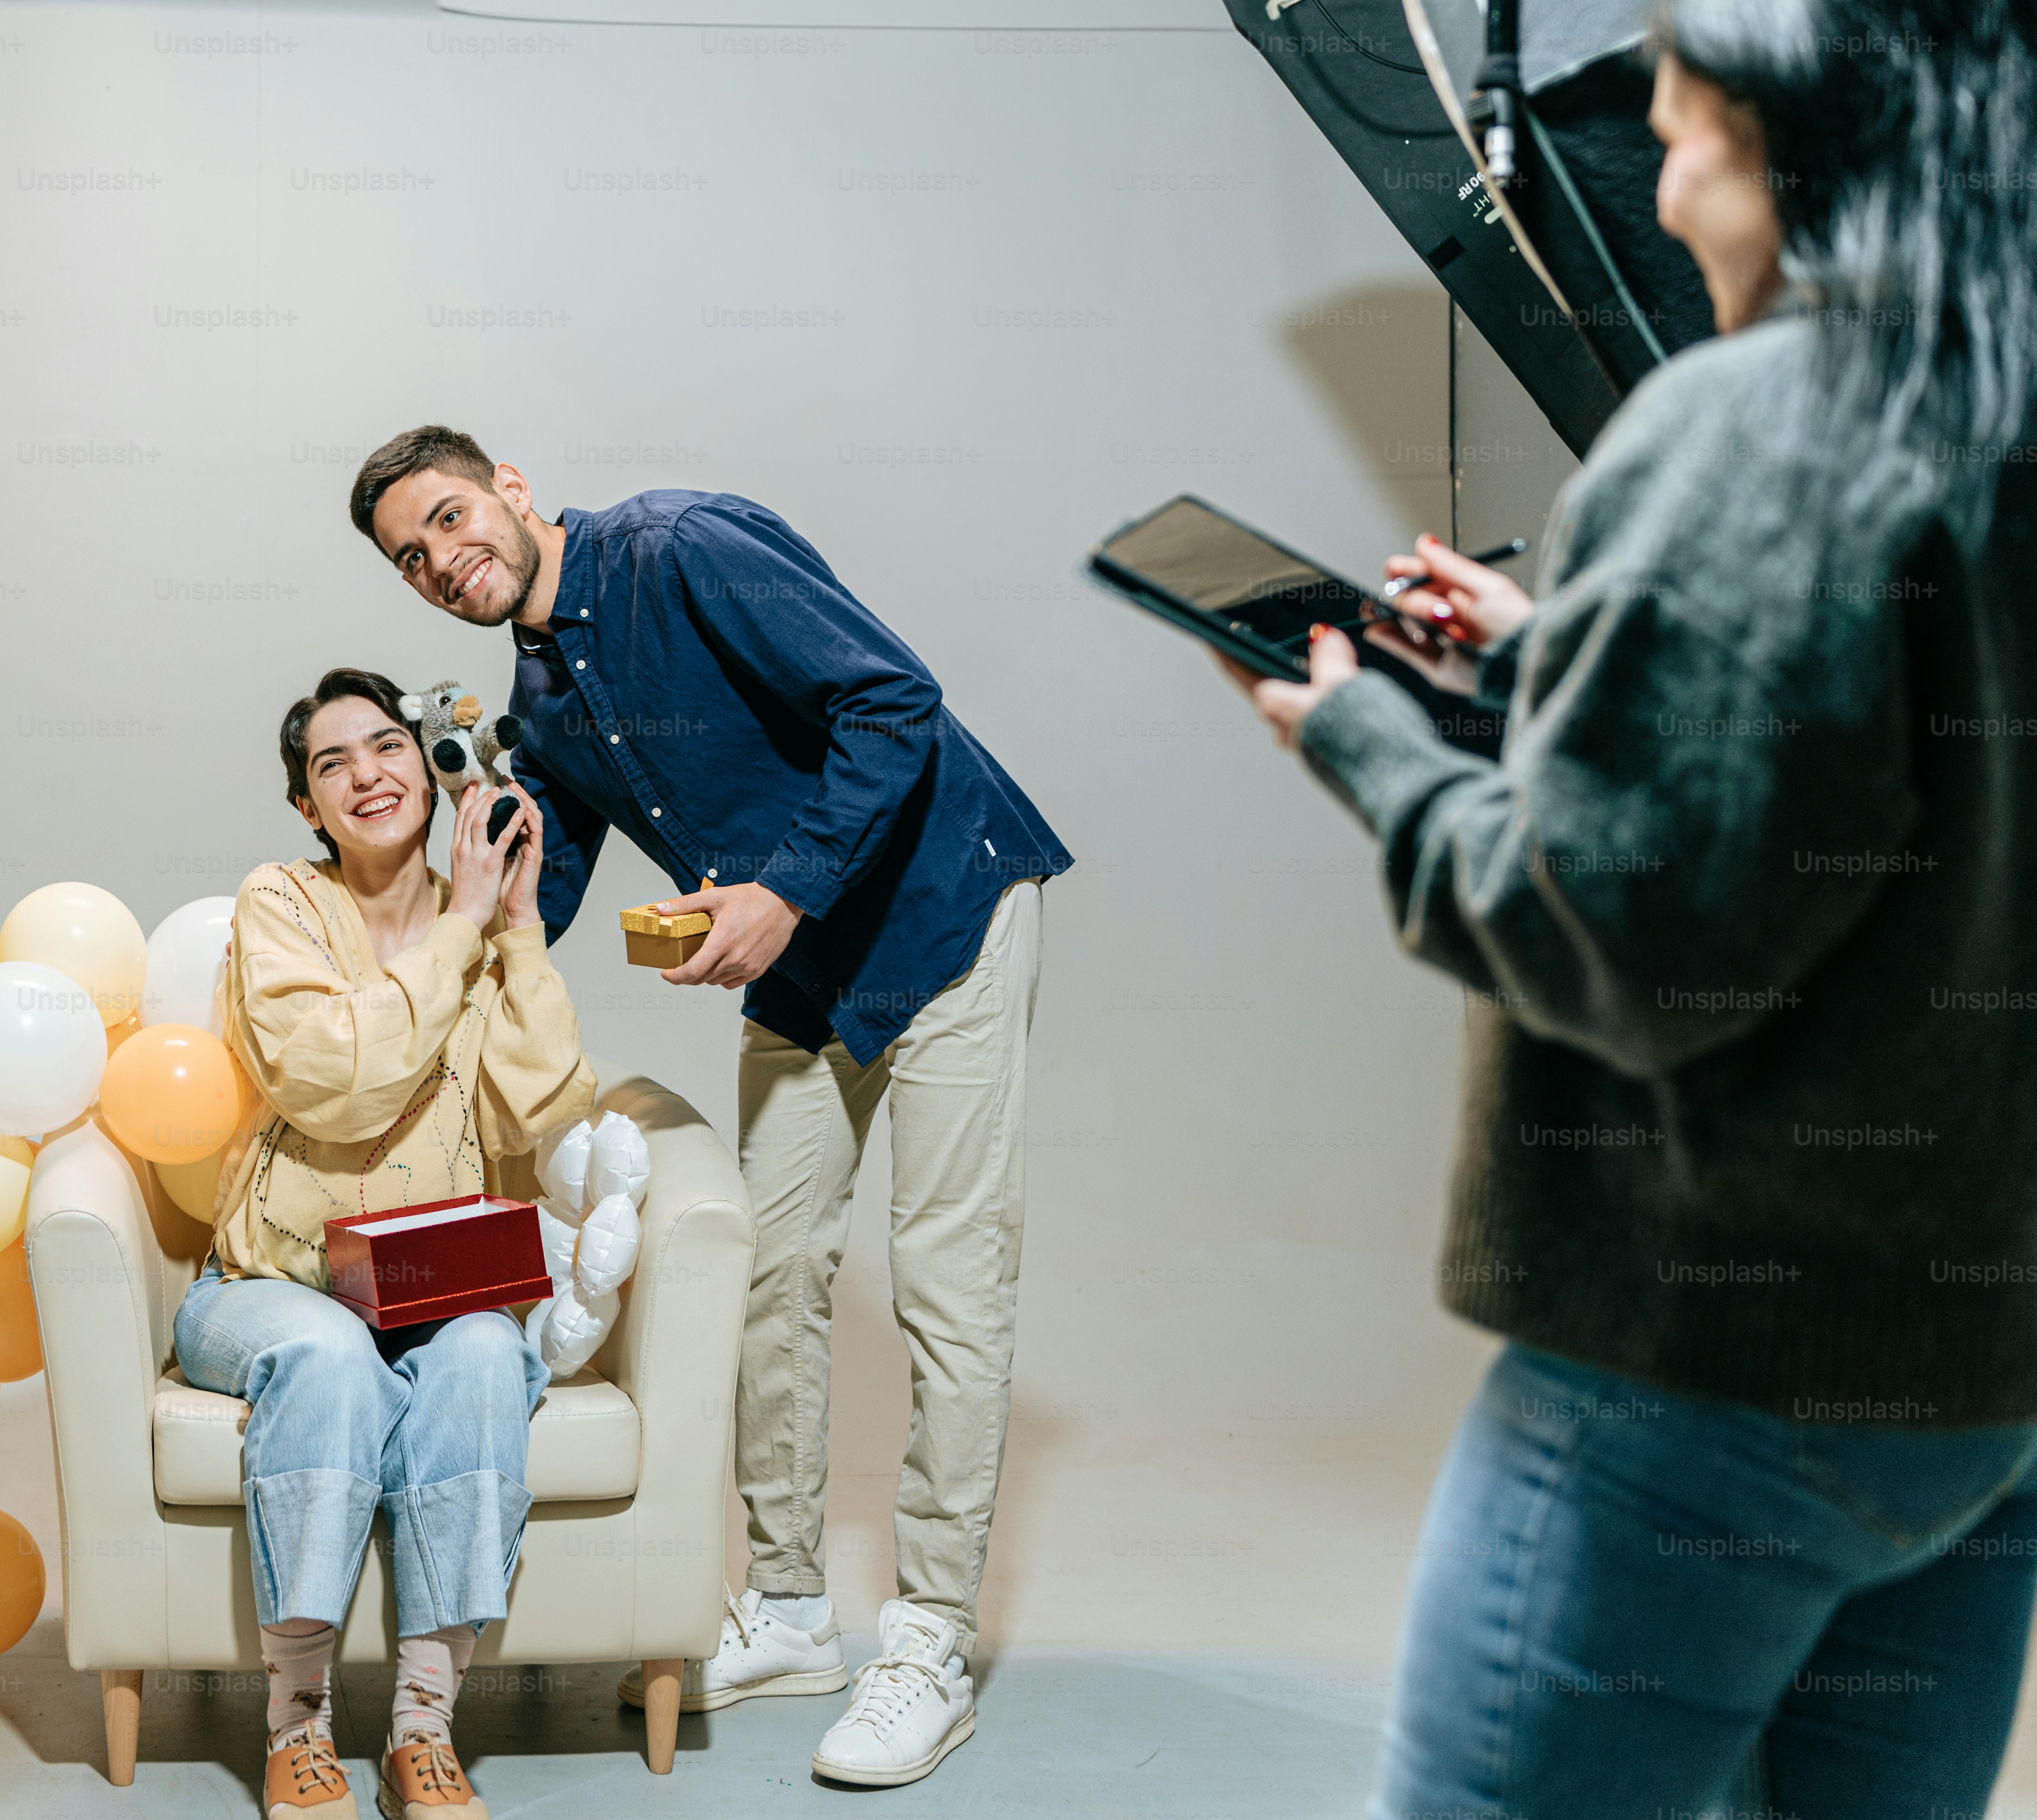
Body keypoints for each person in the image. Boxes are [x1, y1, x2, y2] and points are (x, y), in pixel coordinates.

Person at [1226, 3, 2037, 1811]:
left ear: (1800, 153)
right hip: (1979, 1383)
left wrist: (1365, 740)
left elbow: (1608, 936)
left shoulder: (1758, 419)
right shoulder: (1983, 399)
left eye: (1681, 146)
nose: (1662, 205)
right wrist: (1565, 663)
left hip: (1709, 1389)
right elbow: (1882, 778)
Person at [348, 430, 1071, 1786]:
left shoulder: (677, 545)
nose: (446, 562)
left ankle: (928, 1643)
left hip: (942, 915)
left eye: (451, 519)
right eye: (413, 559)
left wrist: (784, 886)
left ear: (510, 486)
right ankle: (793, 1607)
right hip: (802, 972)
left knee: (945, 1279)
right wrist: (457, 917)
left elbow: (895, 702)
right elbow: (544, 893)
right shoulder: (543, 698)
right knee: (768, 1272)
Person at [182, 667, 593, 1820]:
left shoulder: (485, 928)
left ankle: (424, 1725)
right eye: (331, 763)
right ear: (309, 807)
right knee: (324, 1352)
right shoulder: (282, 902)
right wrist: (458, 924)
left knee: (475, 1358)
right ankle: (298, 1724)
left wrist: (517, 927)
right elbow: (330, 1088)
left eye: (387, 746)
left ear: (433, 764)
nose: (367, 773)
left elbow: (540, 1108)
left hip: (432, 1286)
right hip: (270, 1283)